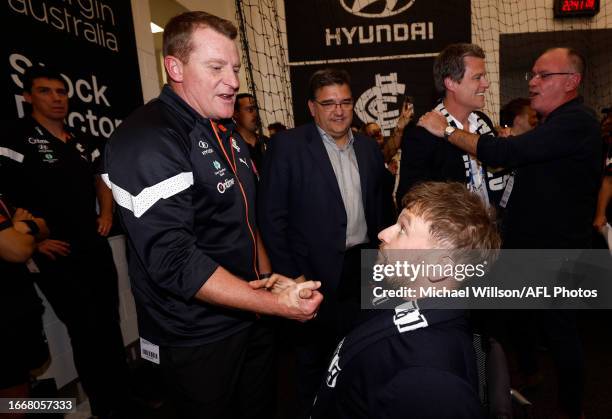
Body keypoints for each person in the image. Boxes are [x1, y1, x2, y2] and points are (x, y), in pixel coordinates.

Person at [102, 11, 322, 419]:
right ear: (175, 67)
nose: (234, 81)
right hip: (195, 337)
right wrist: (277, 307)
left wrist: (268, 289)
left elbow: (244, 221)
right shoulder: (149, 138)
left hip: (248, 319)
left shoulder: (223, 130)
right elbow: (173, 259)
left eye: (235, 68)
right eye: (216, 67)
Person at [419, 47, 601, 419]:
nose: (532, 82)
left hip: (556, 254)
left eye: (542, 75)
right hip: (525, 249)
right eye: (532, 74)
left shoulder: (576, 121)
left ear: (571, 81)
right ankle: (526, 375)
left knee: (558, 331)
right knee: (509, 320)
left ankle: (570, 409)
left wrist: (449, 131)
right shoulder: (554, 124)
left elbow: (508, 152)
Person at [0, 66, 129, 418]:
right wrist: (35, 245)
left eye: (60, 92)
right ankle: (104, 407)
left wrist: (106, 213)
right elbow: (5, 199)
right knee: (86, 332)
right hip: (56, 255)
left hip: (93, 246)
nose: (56, 98)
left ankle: (123, 400)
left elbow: (102, 176)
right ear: (28, 97)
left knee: (109, 324)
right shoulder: (15, 139)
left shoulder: (81, 139)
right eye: (45, 91)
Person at [310, 181, 500, 419]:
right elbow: (359, 319)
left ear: (439, 268)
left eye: (402, 228)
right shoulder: (405, 295)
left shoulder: (430, 382)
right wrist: (310, 305)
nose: (383, 233)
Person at [258, 68, 387, 412]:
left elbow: (382, 211)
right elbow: (271, 218)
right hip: (311, 273)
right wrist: (291, 276)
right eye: (328, 103)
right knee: (312, 361)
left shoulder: (370, 149)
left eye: (345, 101)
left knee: (362, 351)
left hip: (364, 268)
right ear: (312, 108)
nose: (339, 110)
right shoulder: (287, 146)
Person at [397, 43, 509, 209]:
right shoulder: (421, 134)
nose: (486, 84)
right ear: (450, 83)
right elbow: (409, 199)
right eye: (478, 77)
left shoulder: (483, 122)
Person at [0, 197, 48, 417]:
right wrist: (23, 228)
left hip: (16, 310)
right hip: (6, 317)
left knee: (20, 390)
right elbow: (18, 249)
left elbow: (44, 227)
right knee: (13, 399)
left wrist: (21, 227)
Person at [233, 92, 268, 173]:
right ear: (235, 114)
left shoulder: (266, 142)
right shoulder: (232, 147)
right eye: (250, 109)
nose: (256, 114)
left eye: (256, 109)